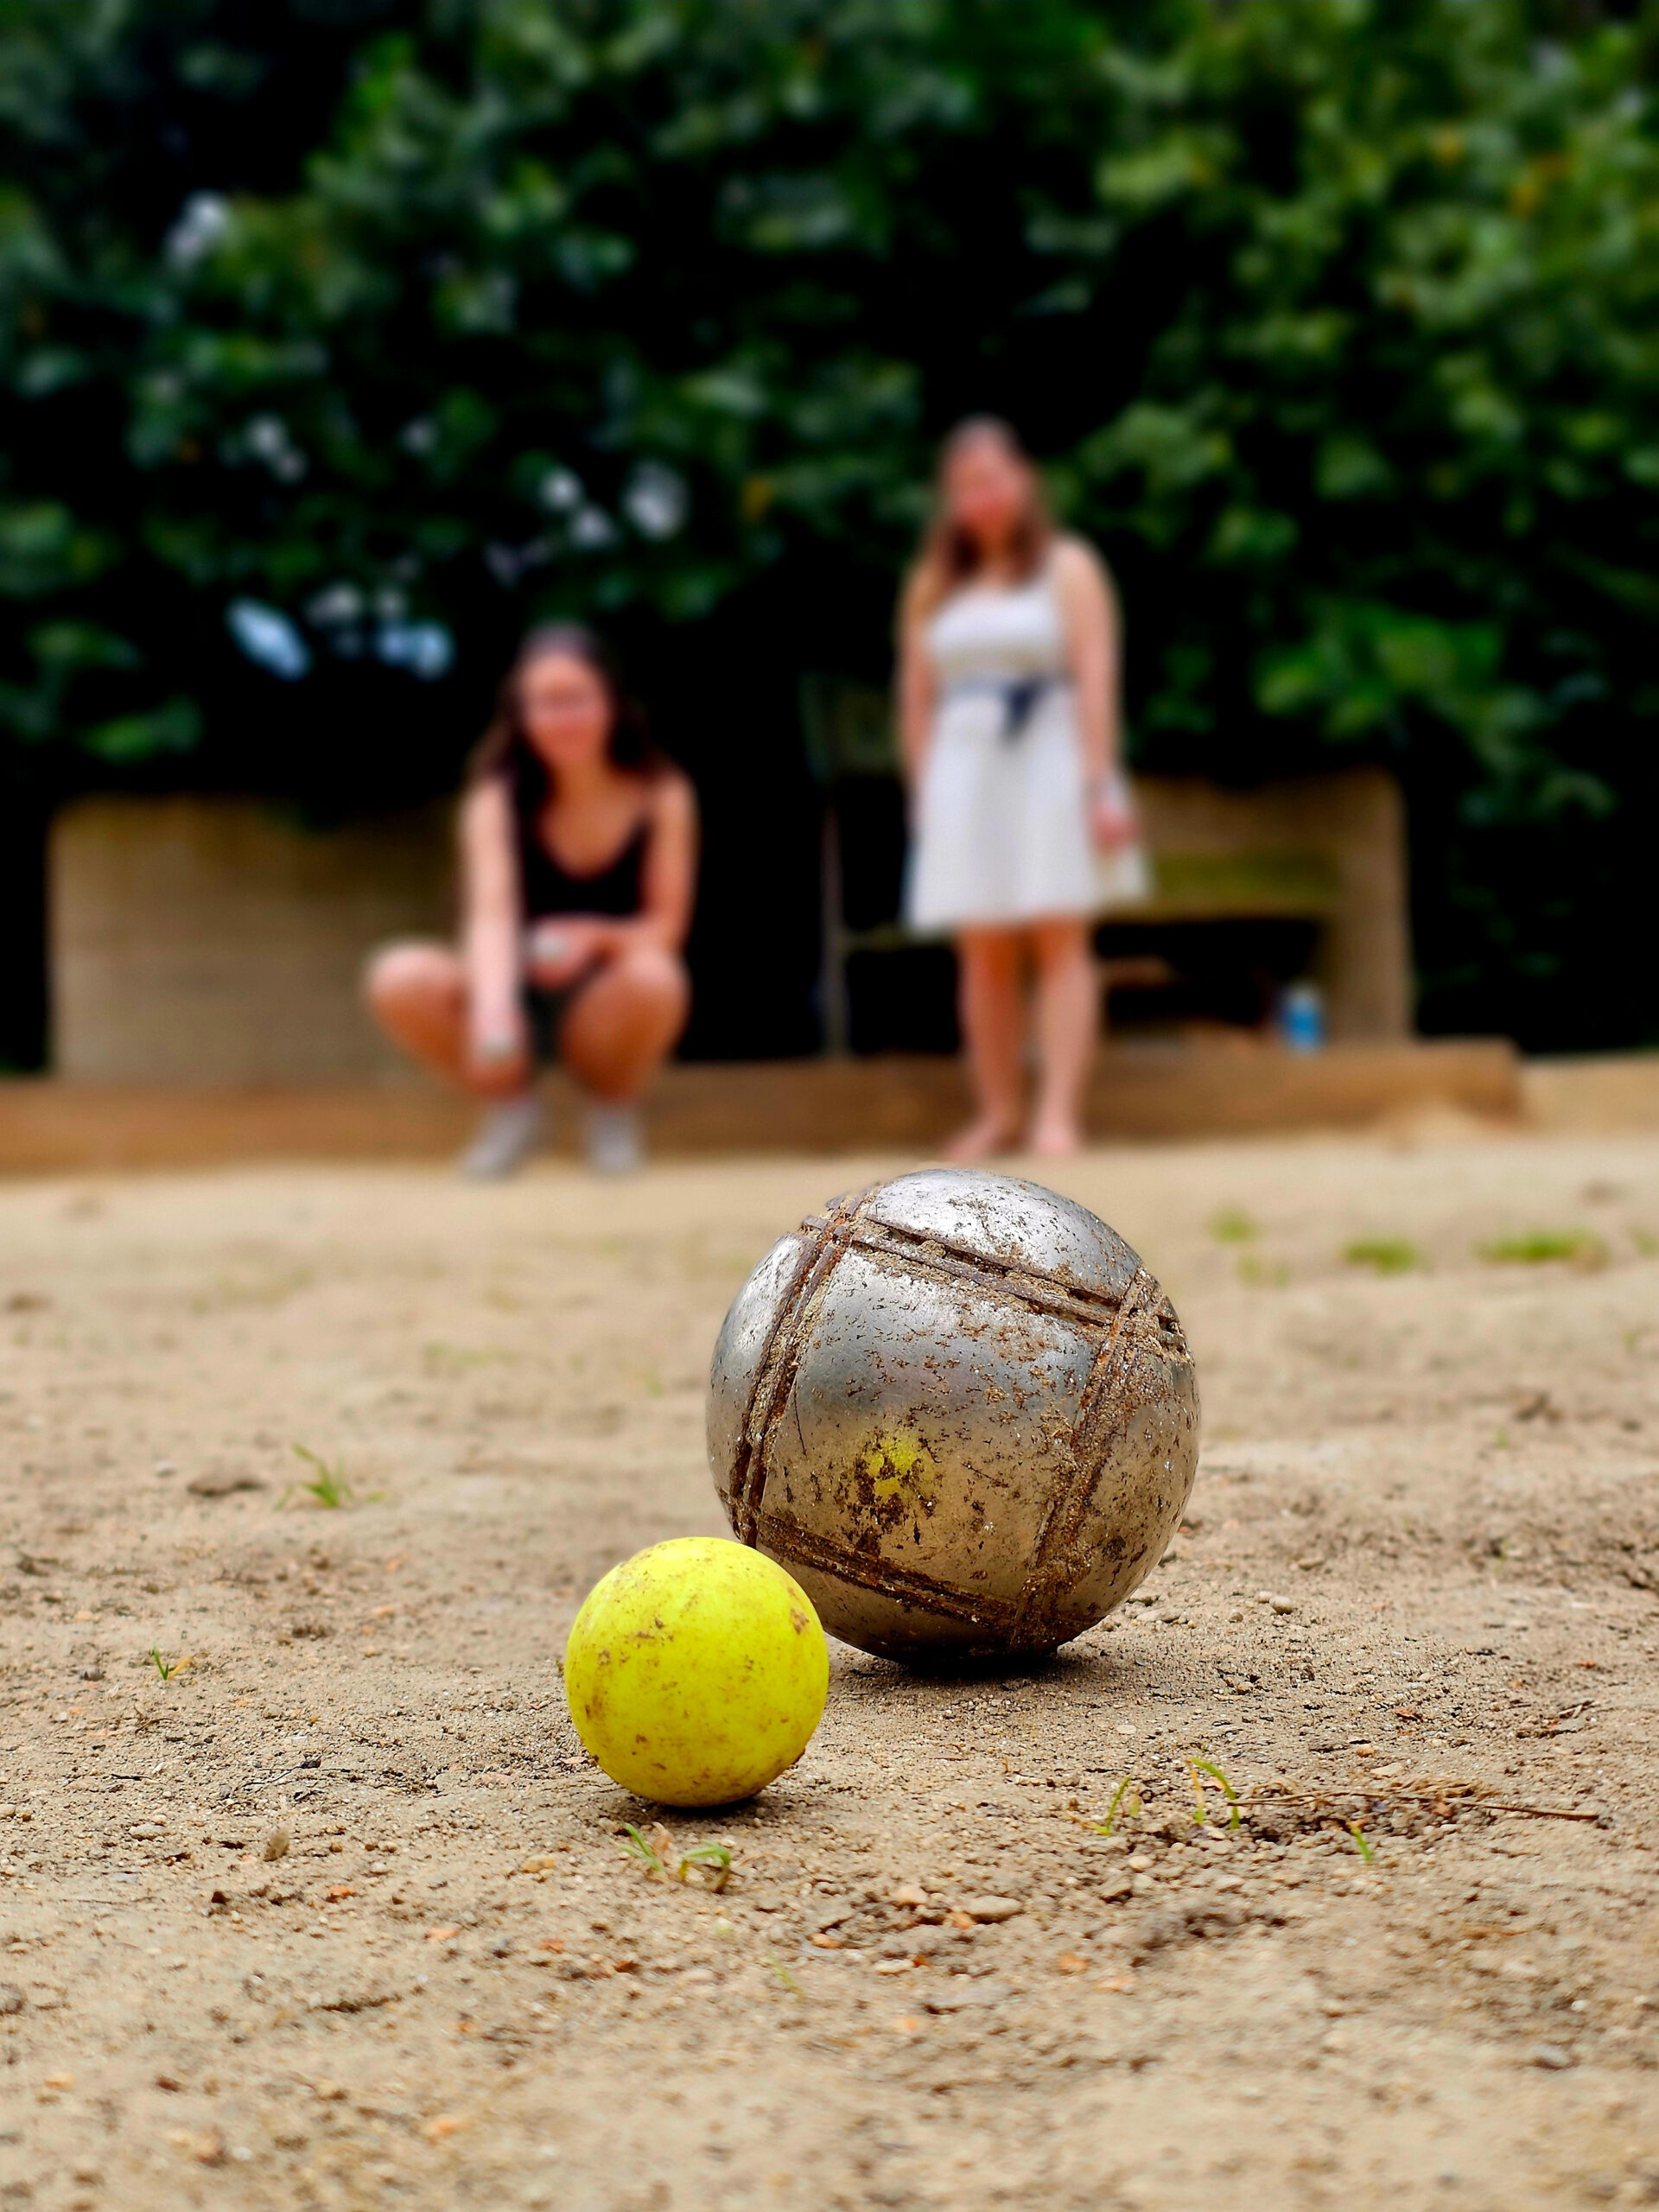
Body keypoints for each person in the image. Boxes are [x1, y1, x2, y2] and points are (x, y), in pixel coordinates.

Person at [898, 416, 1146, 1160]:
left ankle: (1057, 1115)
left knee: (1060, 932)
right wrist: (923, 796)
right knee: (983, 947)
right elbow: (916, 698)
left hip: (1053, 753)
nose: (982, 498)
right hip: (964, 765)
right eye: (964, 486)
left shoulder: (1071, 567)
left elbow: (1098, 674)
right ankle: (999, 1111)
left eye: (993, 479)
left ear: (1025, 479)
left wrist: (1100, 783)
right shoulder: (932, 583)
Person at [365, 623, 696, 1177]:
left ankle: (611, 1109)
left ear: (610, 701)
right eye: (545, 703)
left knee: (656, 975)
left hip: (605, 996)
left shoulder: (662, 793)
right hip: (514, 988)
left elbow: (665, 927)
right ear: (521, 715)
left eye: (576, 699)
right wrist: (494, 1007)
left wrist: (591, 938)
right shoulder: (495, 798)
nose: (562, 718)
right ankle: (511, 1109)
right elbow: (490, 917)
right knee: (399, 975)